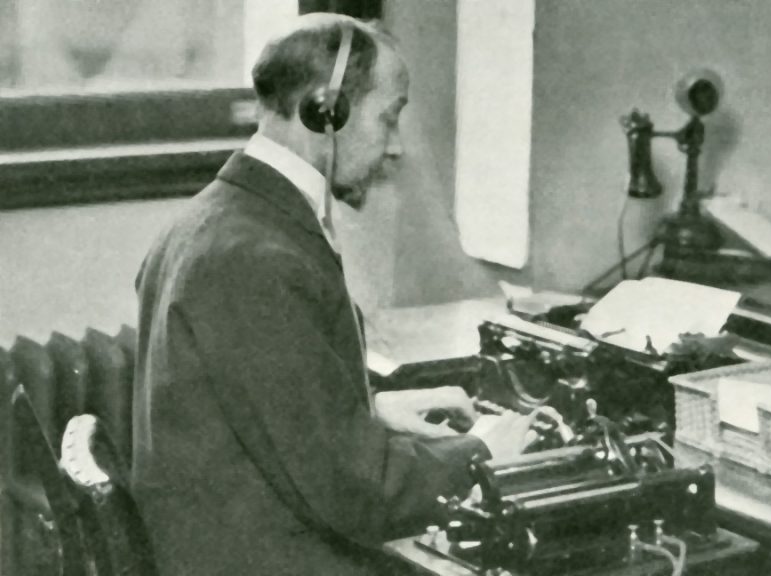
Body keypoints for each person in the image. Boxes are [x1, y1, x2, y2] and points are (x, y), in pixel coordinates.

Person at [131, 13, 537, 576]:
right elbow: (352, 491)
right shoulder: (257, 259)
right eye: (389, 118)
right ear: (327, 112)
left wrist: (369, 410)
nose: (396, 148)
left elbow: (263, 406)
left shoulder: (218, 218)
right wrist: (481, 452)